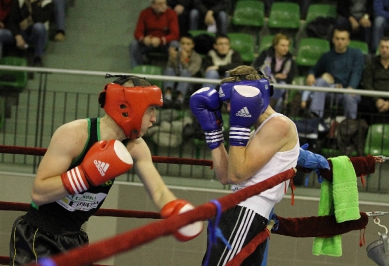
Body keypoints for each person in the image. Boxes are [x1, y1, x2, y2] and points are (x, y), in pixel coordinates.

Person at [9, 74, 203, 265]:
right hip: (38, 235)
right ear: (130, 107)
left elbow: (159, 191)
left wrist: (178, 211)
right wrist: (85, 175)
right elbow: (39, 193)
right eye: (150, 109)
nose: (154, 119)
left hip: (75, 238)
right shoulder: (74, 134)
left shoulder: (135, 145)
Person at [189, 65, 299, 265]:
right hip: (237, 212)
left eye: (232, 101)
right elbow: (225, 176)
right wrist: (213, 133)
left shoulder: (279, 125)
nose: (230, 108)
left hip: (246, 214)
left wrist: (238, 128)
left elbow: (237, 175)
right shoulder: (254, 132)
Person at [301, 27, 365, 119]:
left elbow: (357, 72)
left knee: (349, 95)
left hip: (349, 91)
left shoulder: (356, 54)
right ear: (333, 40)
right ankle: (315, 116)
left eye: (343, 39)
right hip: (332, 91)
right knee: (320, 82)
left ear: (348, 41)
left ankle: (349, 124)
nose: (340, 41)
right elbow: (315, 69)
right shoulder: (327, 56)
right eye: (337, 38)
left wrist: (351, 87)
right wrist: (311, 74)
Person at [358, 36, 389, 126]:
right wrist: (377, 100)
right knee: (363, 105)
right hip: (374, 97)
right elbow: (367, 84)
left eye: (387, 47)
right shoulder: (371, 62)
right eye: (382, 47)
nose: (384, 50)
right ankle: (365, 133)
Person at [129, 0, 180, 68]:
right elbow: (137, 32)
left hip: (165, 44)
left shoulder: (171, 13)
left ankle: (172, 71)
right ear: (153, 5)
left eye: (164, 3)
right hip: (149, 43)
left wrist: (161, 40)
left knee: (175, 45)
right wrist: (143, 39)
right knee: (134, 44)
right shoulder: (144, 13)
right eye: (160, 4)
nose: (164, 6)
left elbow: (175, 34)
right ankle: (136, 70)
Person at [253, 33, 295, 112]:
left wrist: (281, 78)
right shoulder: (265, 55)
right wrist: (275, 77)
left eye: (287, 46)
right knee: (278, 101)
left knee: (281, 87)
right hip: (263, 84)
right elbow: (256, 69)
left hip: (279, 87)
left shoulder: (290, 59)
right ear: (275, 46)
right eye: (283, 45)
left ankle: (265, 109)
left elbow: (290, 78)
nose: (286, 48)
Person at [6, 0, 54, 67]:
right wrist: (18, 36)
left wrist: (33, 3)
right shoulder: (20, 2)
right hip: (21, 34)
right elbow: (12, 22)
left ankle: (38, 58)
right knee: (2, 34)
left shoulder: (48, 3)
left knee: (38, 27)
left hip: (38, 37)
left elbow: (39, 19)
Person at [163, 33, 202, 108]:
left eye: (188, 44)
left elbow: (191, 72)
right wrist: (173, 59)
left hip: (189, 84)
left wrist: (185, 61)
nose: (185, 46)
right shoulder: (176, 54)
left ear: (192, 45)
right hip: (174, 83)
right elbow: (169, 70)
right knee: (169, 69)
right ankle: (167, 97)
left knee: (185, 72)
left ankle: (180, 99)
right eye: (183, 43)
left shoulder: (197, 57)